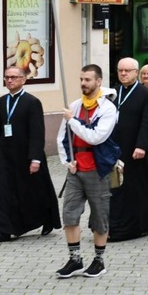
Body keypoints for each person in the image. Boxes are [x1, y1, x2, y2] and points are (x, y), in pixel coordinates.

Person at [55, 64, 118, 278]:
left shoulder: (107, 109)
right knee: (69, 214)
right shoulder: (75, 105)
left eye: (88, 80)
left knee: (100, 217)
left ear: (98, 81)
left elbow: (95, 136)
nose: (83, 83)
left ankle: (99, 261)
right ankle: (75, 259)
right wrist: (67, 161)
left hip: (97, 170)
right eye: (81, 79)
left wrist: (72, 120)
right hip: (76, 170)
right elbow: (62, 137)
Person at [0, 67, 61, 244]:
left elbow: (37, 132)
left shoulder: (31, 102)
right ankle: (2, 230)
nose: (9, 80)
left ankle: (46, 216)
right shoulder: (1, 101)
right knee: (1, 190)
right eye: (7, 77)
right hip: (4, 153)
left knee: (33, 190)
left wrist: (35, 158)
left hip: (25, 154)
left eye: (14, 77)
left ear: (23, 80)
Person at [109, 58, 148, 241]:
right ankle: (114, 223)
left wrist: (141, 145)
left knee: (136, 187)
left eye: (127, 71)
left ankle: (139, 225)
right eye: (120, 70)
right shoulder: (112, 92)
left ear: (136, 72)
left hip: (137, 149)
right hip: (116, 147)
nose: (123, 74)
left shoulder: (146, 94)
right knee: (116, 186)